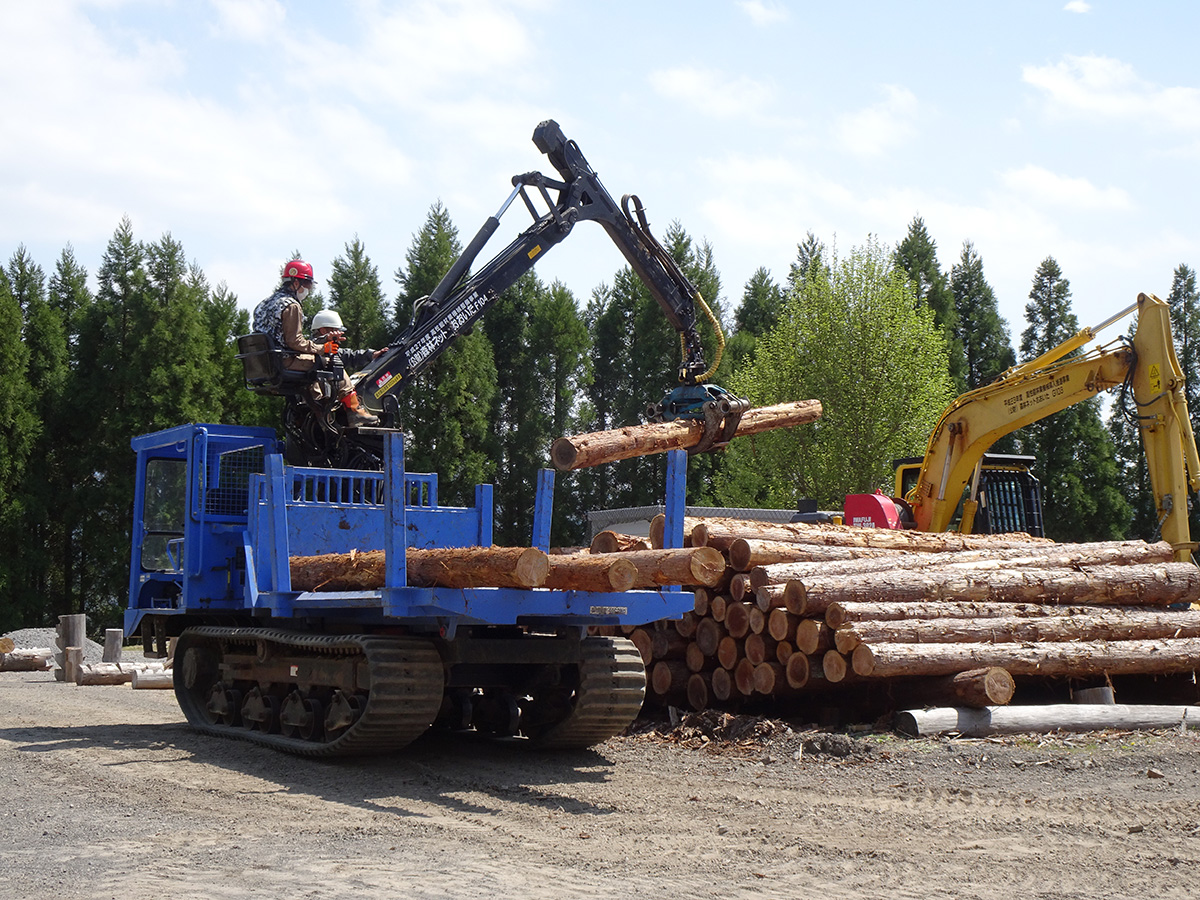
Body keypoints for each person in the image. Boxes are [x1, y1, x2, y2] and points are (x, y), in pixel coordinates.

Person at [252, 259, 379, 426]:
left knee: (312, 366)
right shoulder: (291, 305)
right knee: (330, 361)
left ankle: (313, 407)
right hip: (283, 361)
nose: (308, 289)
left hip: (263, 364)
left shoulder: (263, 305)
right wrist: (322, 348)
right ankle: (354, 410)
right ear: (296, 282)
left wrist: (320, 342)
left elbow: (281, 338)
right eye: (307, 284)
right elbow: (294, 342)